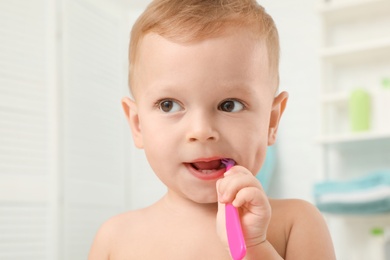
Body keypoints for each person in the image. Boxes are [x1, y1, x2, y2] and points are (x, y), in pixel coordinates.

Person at [89, 0, 336, 259]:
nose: (201, 130)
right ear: (138, 125)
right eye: (169, 105)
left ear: (271, 122)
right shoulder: (114, 238)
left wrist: (254, 246)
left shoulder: (296, 223)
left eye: (229, 105)